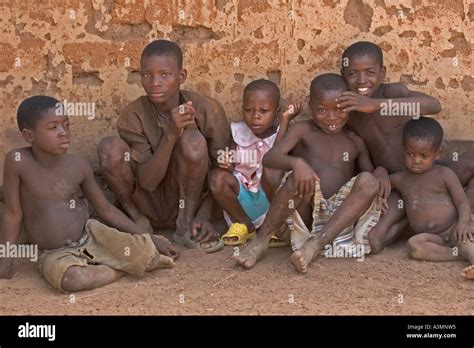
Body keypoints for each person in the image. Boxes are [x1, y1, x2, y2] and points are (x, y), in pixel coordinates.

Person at [0, 96, 179, 292]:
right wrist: (5, 261)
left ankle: (125, 262)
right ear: (28, 136)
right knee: (72, 280)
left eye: (66, 125)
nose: (63, 133)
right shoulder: (18, 162)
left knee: (145, 252)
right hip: (55, 253)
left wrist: (151, 238)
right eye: (53, 127)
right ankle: (118, 269)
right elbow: (12, 214)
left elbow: (106, 210)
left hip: (93, 237)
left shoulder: (78, 166)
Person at [234, 73, 390, 273]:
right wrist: (297, 163)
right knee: (296, 179)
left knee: (369, 181)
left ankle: (315, 245)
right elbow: (271, 158)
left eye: (340, 109)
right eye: (322, 110)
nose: (332, 117)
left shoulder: (354, 140)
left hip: (338, 218)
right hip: (304, 213)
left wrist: (381, 171)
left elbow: (367, 183)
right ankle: (261, 240)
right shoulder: (303, 130)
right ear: (310, 106)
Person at [97, 40, 231, 253]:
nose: (154, 83)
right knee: (109, 148)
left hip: (189, 201)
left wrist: (204, 215)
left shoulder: (208, 110)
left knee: (193, 141)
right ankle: (138, 222)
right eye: (146, 75)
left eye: (165, 75)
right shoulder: (133, 115)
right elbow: (148, 183)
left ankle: (185, 225)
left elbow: (225, 171)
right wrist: (171, 134)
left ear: (182, 76)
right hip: (147, 202)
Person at [336, 41, 452, 253]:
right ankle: (409, 219)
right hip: (396, 184)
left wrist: (376, 105)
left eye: (370, 72)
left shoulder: (394, 92)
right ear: (343, 75)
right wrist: (376, 171)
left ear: (382, 73)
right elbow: (357, 153)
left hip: (428, 173)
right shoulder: (348, 113)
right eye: (352, 73)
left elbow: (434, 105)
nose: (362, 80)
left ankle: (467, 220)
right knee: (372, 241)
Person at [210, 79, 301, 246]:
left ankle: (275, 228)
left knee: (272, 171)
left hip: (270, 200)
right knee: (216, 178)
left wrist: (285, 120)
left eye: (263, 111)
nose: (255, 116)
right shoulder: (238, 132)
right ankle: (245, 225)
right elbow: (232, 165)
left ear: (277, 111)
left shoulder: (282, 134)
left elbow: (276, 156)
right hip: (243, 199)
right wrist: (226, 165)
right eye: (248, 110)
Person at [390, 117, 474, 279]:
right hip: (434, 238)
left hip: (454, 228)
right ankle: (458, 255)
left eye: (423, 156)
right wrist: (379, 173)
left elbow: (462, 202)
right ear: (403, 150)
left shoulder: (445, 174)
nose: (416, 160)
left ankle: (471, 257)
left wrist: (463, 223)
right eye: (410, 154)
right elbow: (382, 182)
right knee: (414, 246)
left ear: (437, 154)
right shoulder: (400, 178)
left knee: (467, 242)